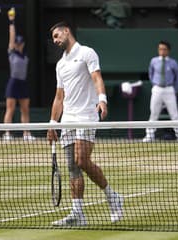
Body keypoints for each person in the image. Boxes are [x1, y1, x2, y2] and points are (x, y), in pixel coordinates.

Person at [47, 21, 123, 226]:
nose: (55, 40)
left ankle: (112, 196)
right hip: (68, 119)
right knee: (73, 166)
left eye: (57, 35)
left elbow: (97, 77)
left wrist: (102, 99)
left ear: (66, 31)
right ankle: (78, 214)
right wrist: (53, 123)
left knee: (82, 160)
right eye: (53, 38)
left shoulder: (87, 53)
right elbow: (59, 97)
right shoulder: (60, 65)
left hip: (87, 115)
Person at [142, 41, 178, 143]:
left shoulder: (173, 63)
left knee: (174, 114)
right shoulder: (153, 61)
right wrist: (155, 84)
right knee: (153, 113)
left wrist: (175, 89)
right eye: (160, 49)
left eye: (164, 49)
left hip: (169, 90)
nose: (162, 51)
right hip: (157, 89)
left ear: (168, 51)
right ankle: (149, 135)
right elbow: (151, 73)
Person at [3, 8, 35, 141]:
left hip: (23, 83)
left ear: (23, 44)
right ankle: (7, 134)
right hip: (13, 82)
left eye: (20, 43)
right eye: (17, 43)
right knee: (10, 109)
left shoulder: (25, 56)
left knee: (25, 109)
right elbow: (11, 37)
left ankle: (26, 134)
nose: (19, 44)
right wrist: (11, 22)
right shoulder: (12, 53)